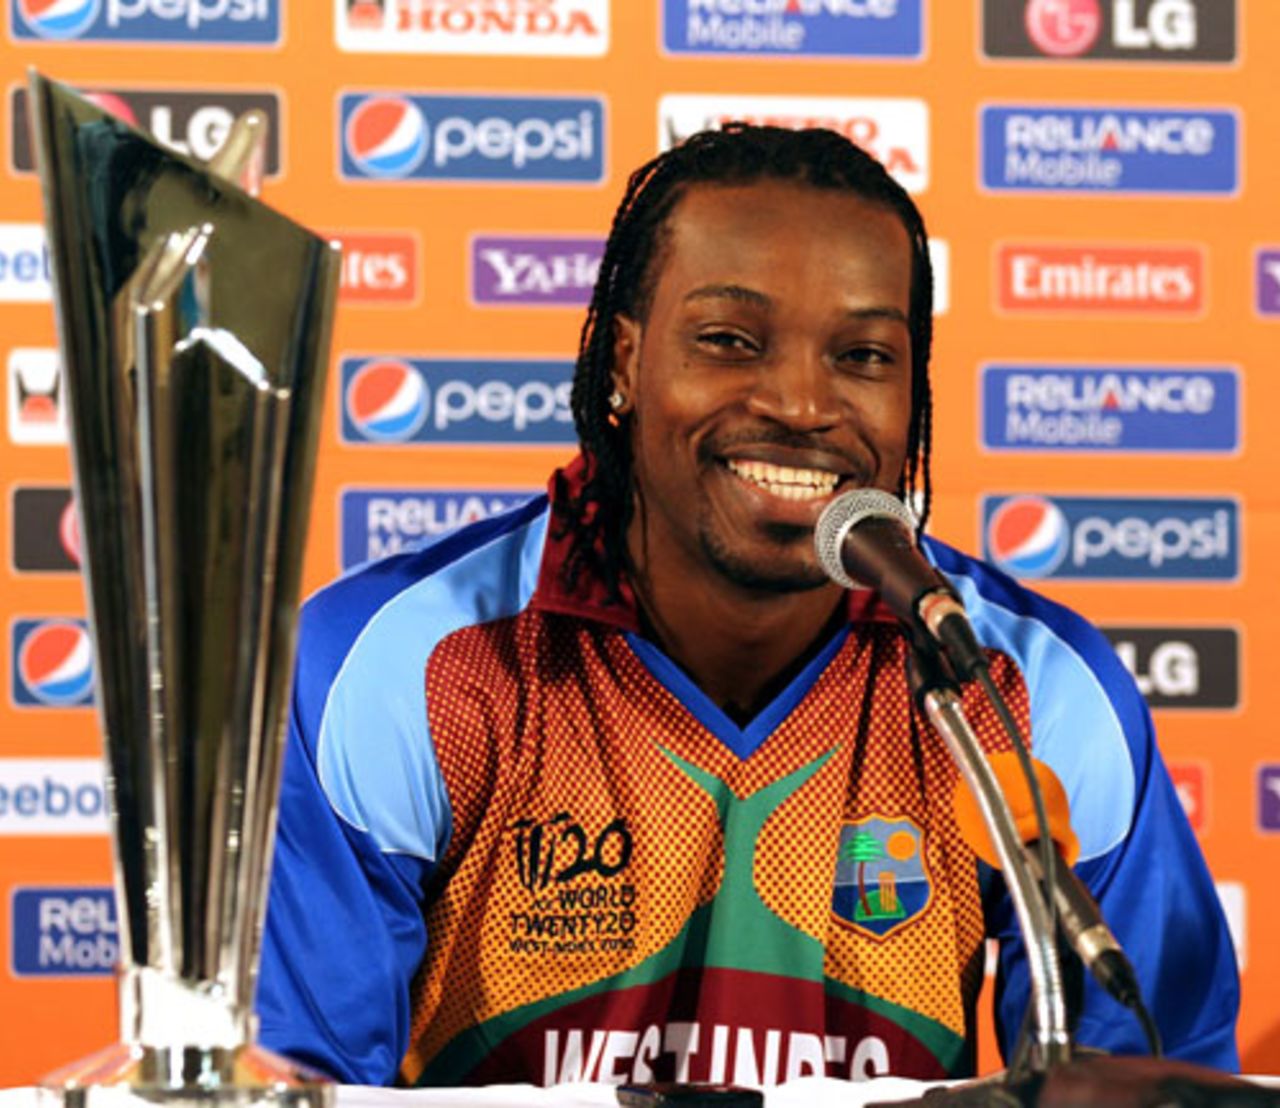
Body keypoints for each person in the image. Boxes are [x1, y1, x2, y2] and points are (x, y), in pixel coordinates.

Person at [255, 124, 1239, 1087]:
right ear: (622, 364)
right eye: (729, 340)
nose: (800, 403)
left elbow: (1146, 1081)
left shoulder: (1023, 688)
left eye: (862, 356)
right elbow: (295, 1082)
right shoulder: (399, 666)